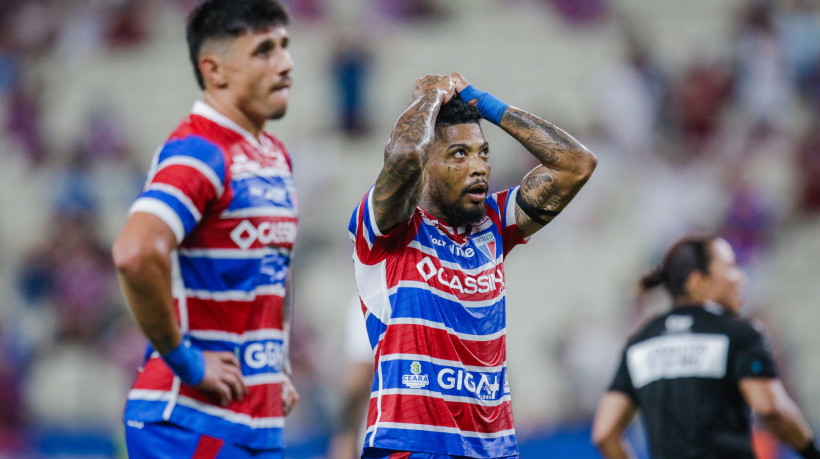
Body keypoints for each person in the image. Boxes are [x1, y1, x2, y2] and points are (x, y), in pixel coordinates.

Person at [348, 73, 597, 458]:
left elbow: (577, 164)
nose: (479, 166)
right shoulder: (387, 231)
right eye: (459, 154)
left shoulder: (493, 224)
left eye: (483, 153)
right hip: (411, 445)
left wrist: (484, 103)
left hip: (493, 448)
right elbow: (403, 156)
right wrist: (431, 98)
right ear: (426, 165)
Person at [111, 1, 299, 457]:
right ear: (214, 70)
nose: (285, 62)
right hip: (187, 420)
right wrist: (188, 363)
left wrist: (279, 365)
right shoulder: (198, 151)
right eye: (264, 50)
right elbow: (134, 253)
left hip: (253, 419)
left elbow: (275, 271)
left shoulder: (273, 154)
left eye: (285, 46)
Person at [592, 235, 820, 459]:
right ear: (698, 281)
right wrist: (810, 451)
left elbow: (605, 433)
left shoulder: (640, 342)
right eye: (730, 267)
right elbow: (770, 408)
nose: (740, 278)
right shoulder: (737, 333)